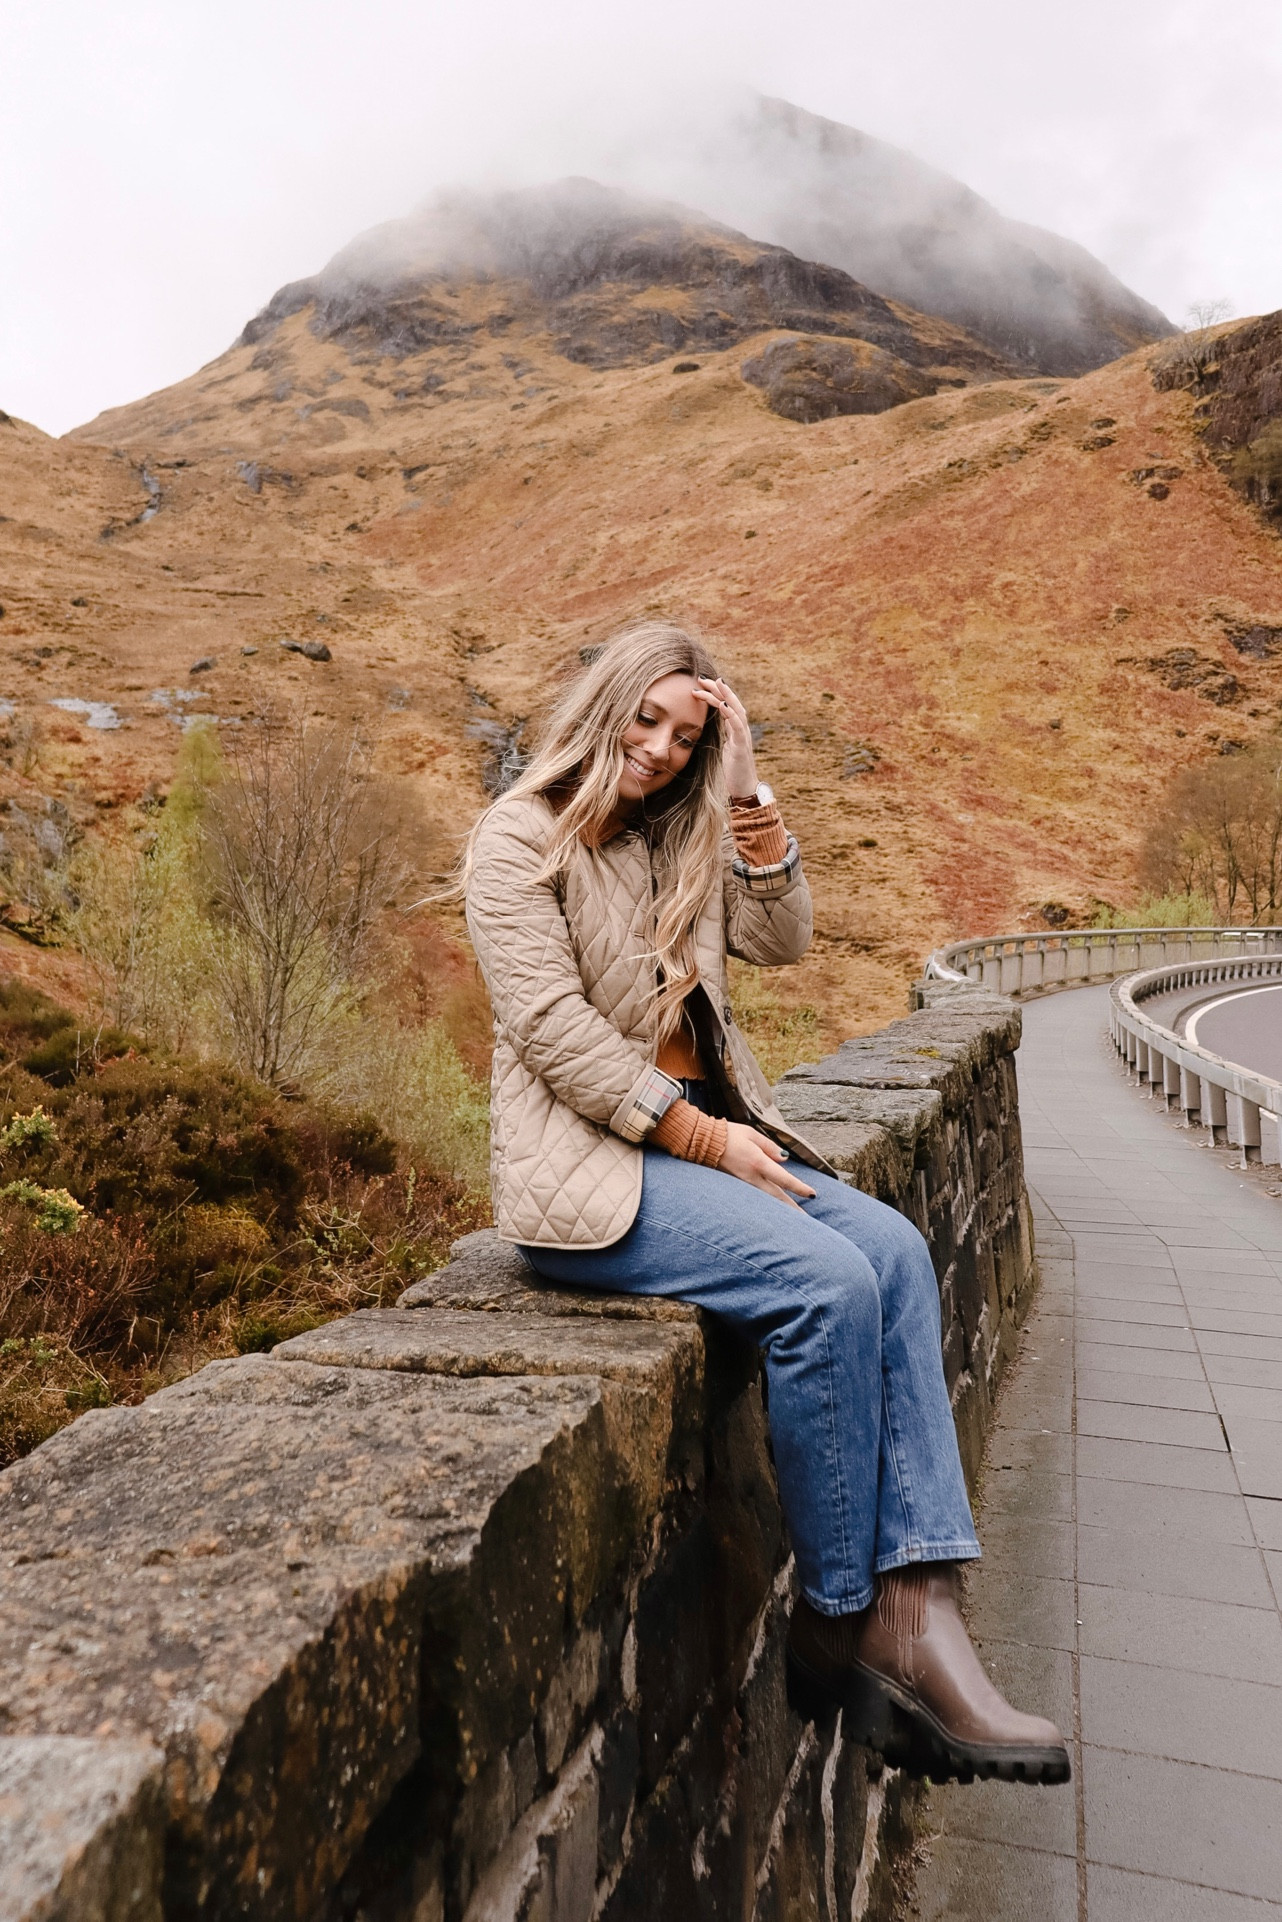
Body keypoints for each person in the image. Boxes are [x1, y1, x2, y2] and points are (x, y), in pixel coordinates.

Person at [463, 620, 1069, 1786]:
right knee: (823, 1284)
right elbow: (549, 1032)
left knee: (890, 1247)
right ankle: (839, 1618)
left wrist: (746, 794)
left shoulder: (682, 831)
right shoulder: (516, 838)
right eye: (646, 719)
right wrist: (701, 1133)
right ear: (605, 706)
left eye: (685, 734)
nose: (657, 748)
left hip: (699, 1154)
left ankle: (922, 1601)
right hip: (602, 1173)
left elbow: (784, 938)